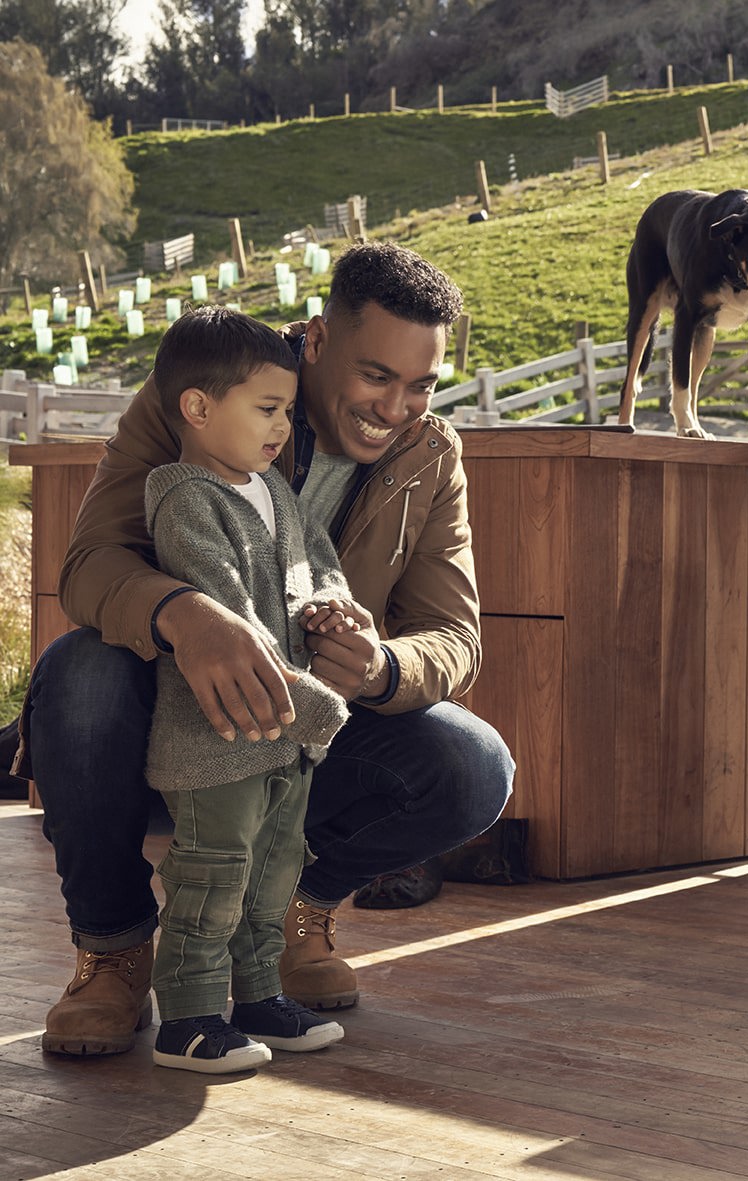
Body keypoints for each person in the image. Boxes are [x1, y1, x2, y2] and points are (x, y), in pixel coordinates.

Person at [24, 241, 515, 1057]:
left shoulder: (433, 456)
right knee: (76, 676)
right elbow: (90, 566)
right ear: (316, 341)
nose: (397, 408)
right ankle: (112, 951)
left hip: (310, 721)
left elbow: (454, 638)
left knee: (474, 765)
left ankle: (294, 911)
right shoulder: (209, 380)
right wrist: (187, 615)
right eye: (376, 376)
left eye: (421, 384)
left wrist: (382, 665)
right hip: (175, 706)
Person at [140, 306, 364, 1072]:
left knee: (277, 862)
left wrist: (332, 605)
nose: (281, 428)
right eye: (265, 410)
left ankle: (259, 991)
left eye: (287, 413)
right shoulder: (183, 494)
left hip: (285, 735)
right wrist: (311, 699)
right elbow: (225, 609)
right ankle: (190, 1012)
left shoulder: (275, 488)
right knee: (214, 866)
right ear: (198, 408)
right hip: (221, 735)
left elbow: (316, 565)